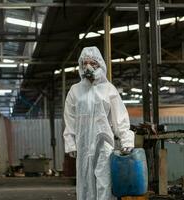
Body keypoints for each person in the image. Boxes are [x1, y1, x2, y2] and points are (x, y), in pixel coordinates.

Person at [63, 46, 135, 200]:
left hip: (104, 144)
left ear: (100, 64)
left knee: (104, 182)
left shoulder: (109, 89)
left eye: (93, 63)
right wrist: (70, 142)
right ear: (81, 65)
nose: (88, 66)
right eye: (85, 63)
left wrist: (126, 139)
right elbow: (70, 119)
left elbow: (120, 117)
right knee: (84, 183)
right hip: (83, 144)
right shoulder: (75, 90)